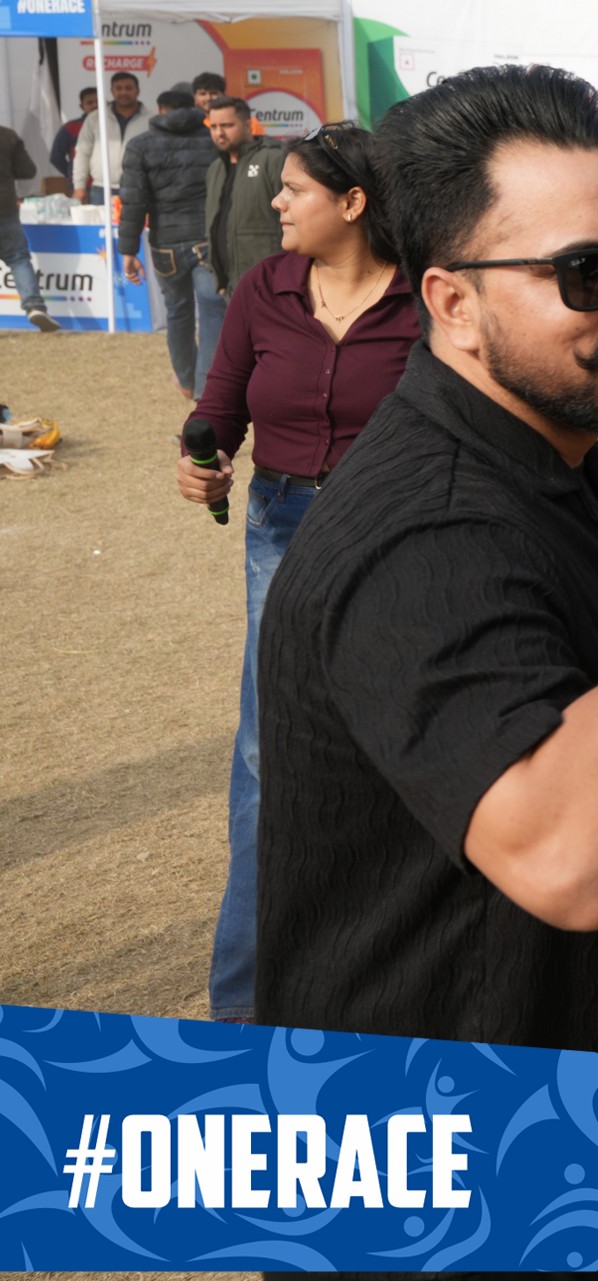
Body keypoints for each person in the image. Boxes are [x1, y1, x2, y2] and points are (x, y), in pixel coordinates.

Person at [255, 68, 598, 1131]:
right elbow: (570, 858)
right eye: (586, 272)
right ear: (452, 305)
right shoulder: (427, 534)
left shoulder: (563, 454)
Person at [180, 124, 417, 1023]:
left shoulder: (429, 299)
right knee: (264, 758)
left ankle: (386, 989)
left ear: (353, 203)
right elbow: (219, 407)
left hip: (397, 534)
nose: (274, 201)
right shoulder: (263, 287)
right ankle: (244, 1008)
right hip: (280, 526)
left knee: (403, 748)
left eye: (294, 189)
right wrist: (201, 459)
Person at [117, 83, 224, 396]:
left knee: (177, 313)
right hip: (207, 240)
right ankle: (206, 389)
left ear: (161, 109)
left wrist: (128, 251)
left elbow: (133, 203)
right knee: (212, 312)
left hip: (165, 243)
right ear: (192, 106)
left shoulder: (139, 145)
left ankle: (187, 380)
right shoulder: (213, 140)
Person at [202, 96, 292, 296]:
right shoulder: (215, 169)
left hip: (269, 284)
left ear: (248, 125)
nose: (219, 133)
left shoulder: (273, 160)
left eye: (227, 125)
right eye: (213, 126)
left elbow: (296, 219)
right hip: (229, 286)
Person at [0, 115, 53, 331]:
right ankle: (34, 306)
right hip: (5, 208)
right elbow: (28, 171)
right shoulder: (7, 136)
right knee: (18, 259)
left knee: (18, 258)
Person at [73, 69, 146, 199]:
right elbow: (83, 153)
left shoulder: (151, 119)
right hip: (101, 189)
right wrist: (79, 187)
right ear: (112, 91)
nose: (123, 92)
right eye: (118, 88)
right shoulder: (95, 118)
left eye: (128, 88)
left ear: (138, 91)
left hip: (139, 188)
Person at [48, 86, 95, 183]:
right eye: (90, 103)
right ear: (82, 106)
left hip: (112, 183)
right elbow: (56, 157)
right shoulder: (70, 127)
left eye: (98, 102)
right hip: (82, 184)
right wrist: (71, 173)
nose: (95, 105)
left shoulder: (113, 125)